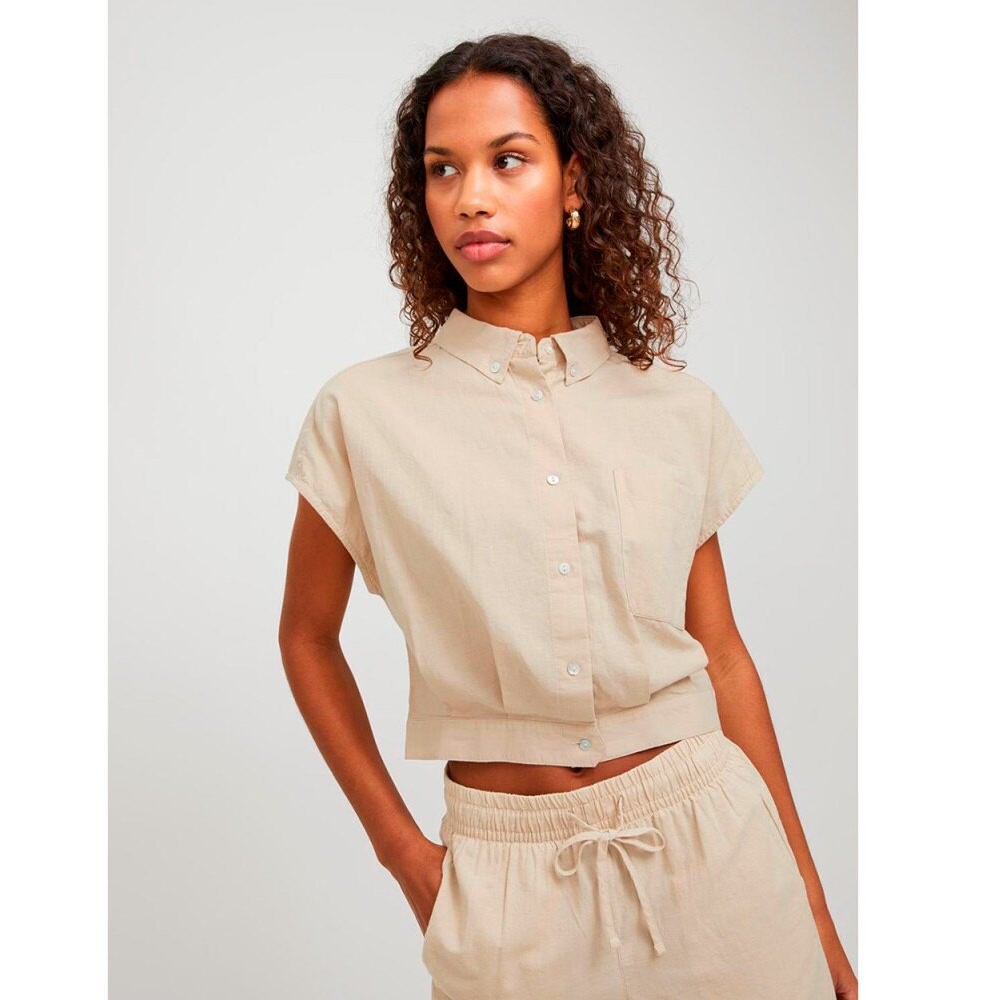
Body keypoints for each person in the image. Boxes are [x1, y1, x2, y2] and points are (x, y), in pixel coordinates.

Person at [278, 32, 856, 1000]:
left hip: (716, 859)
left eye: (507, 160)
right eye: (442, 169)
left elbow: (721, 655)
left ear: (574, 181)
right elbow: (306, 636)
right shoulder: (362, 412)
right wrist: (403, 853)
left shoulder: (674, 406)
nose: (471, 196)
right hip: (506, 890)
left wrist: (812, 907)